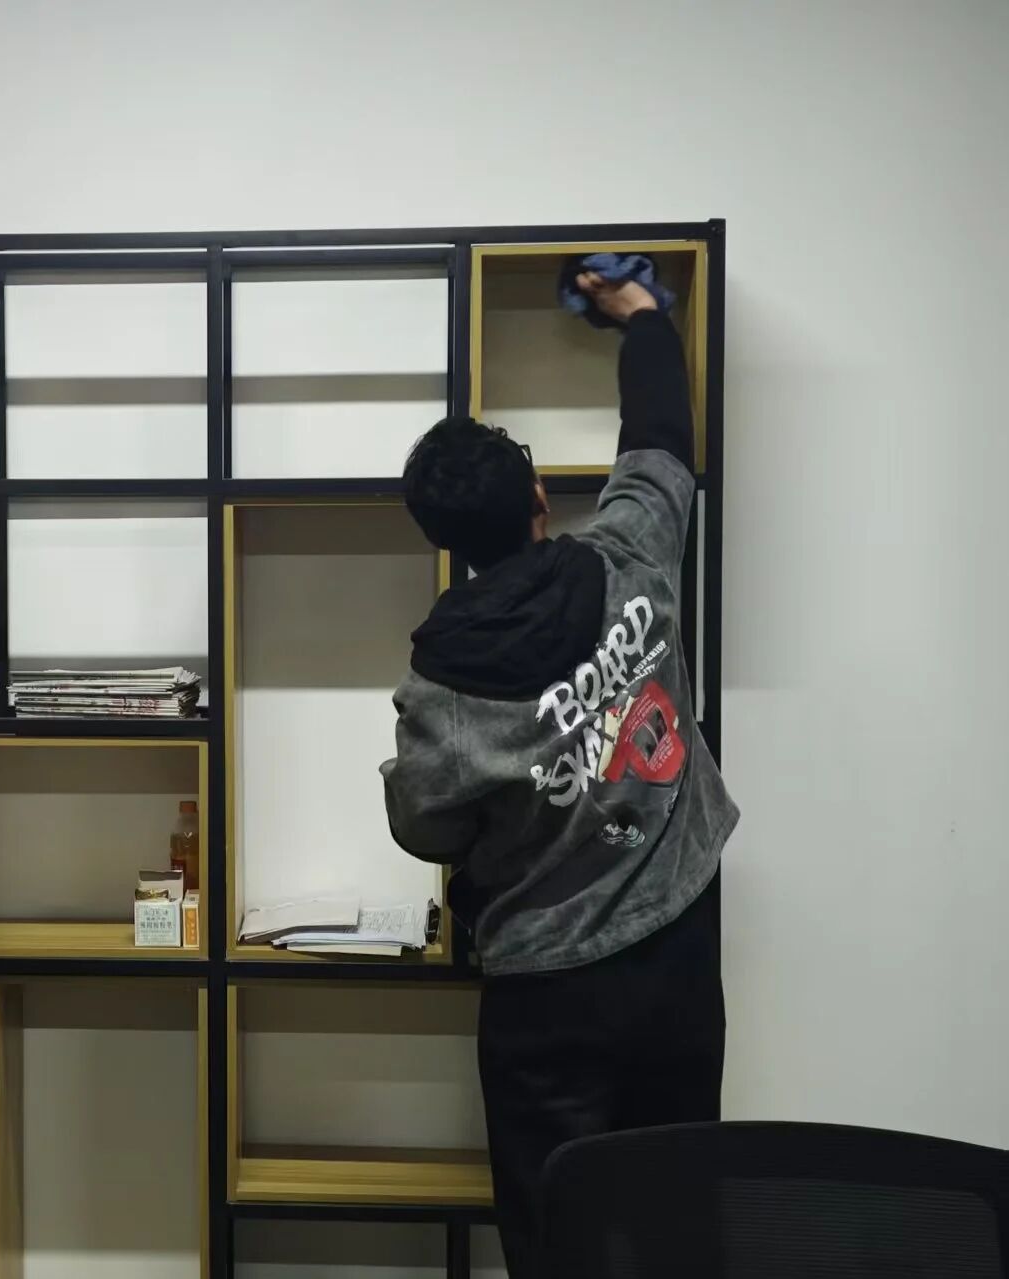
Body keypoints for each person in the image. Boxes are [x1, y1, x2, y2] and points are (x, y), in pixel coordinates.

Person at [383, 273, 737, 1278]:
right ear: (539, 499)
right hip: (675, 955)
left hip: (544, 997)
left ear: (442, 542)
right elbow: (659, 440)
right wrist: (643, 319)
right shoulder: (630, 557)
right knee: (679, 1220)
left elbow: (425, 825)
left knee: (554, 1238)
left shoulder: (437, 687)